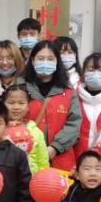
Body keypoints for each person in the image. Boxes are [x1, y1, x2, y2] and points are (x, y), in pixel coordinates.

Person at [21, 40, 81, 172]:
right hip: (27, 159)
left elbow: (74, 123)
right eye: (40, 58)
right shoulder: (20, 87)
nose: (45, 62)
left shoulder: (68, 90)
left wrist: (55, 147)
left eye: (50, 59)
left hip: (60, 159)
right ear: (32, 60)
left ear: (57, 61)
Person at [3, 84, 50, 173]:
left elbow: (43, 162)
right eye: (11, 103)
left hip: (31, 179)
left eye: (21, 103)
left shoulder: (36, 132)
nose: (16, 107)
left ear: (28, 106)